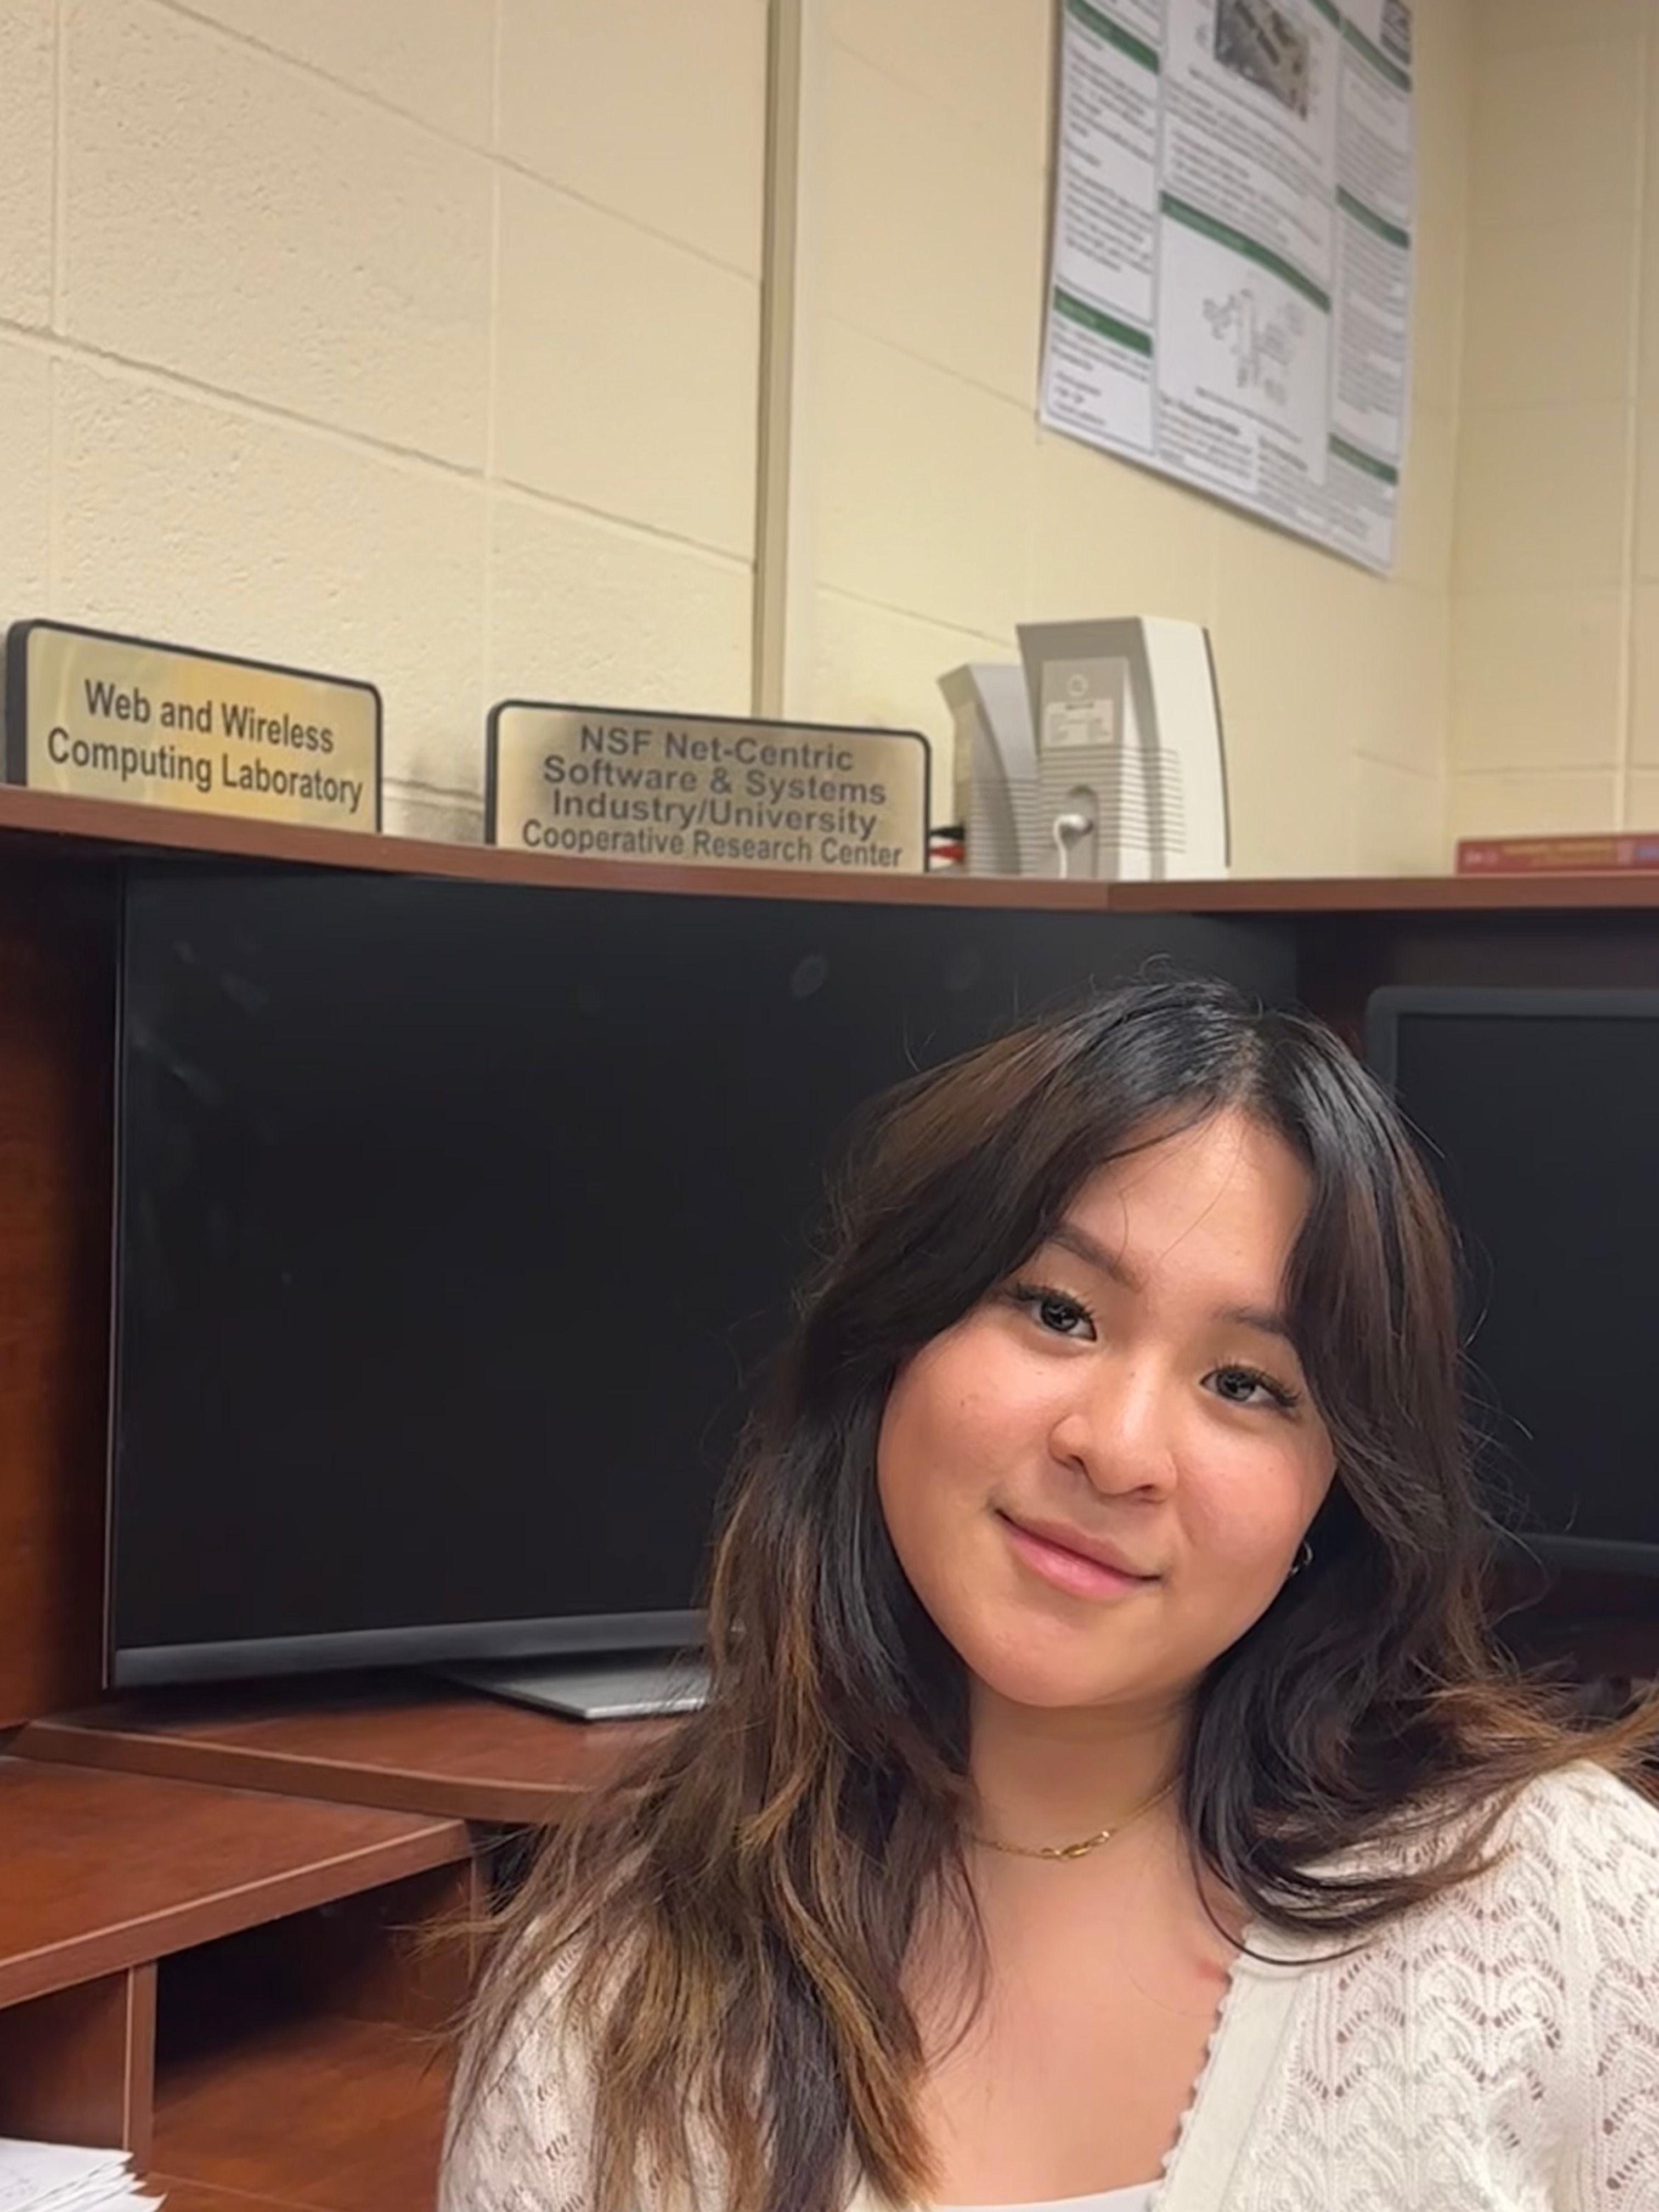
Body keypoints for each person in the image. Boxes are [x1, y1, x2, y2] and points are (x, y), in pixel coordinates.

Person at [442, 973, 1659, 2212]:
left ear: (1333, 1498)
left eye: (1248, 1386)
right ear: (890, 1346)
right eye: (1058, 1310)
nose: (1119, 1450)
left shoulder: (1565, 1910)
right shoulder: (616, 1961)